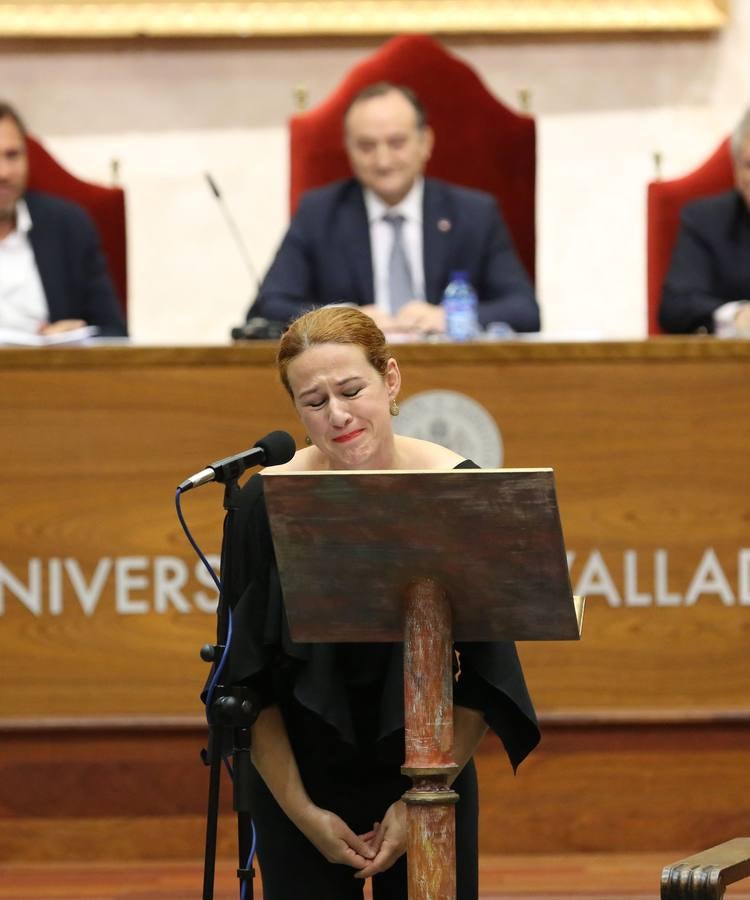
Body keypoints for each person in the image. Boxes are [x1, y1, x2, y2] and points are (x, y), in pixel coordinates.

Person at [220, 306, 540, 899]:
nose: (337, 415)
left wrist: (422, 798)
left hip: (432, 769)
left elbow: (487, 675)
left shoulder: (457, 487)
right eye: (314, 402)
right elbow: (246, 683)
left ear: (390, 380)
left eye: (351, 390)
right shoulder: (261, 505)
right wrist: (304, 814)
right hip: (296, 773)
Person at [246, 82, 540, 336]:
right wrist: (344, 320)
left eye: (396, 143)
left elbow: (525, 310)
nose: (383, 161)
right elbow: (268, 307)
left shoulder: (474, 214)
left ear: (425, 143)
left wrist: (447, 318)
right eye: (366, 146)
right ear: (348, 149)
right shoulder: (319, 213)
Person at [0, 100, 127, 338]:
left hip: (47, 372)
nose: (4, 173)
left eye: (12, 155)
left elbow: (115, 333)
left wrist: (74, 338)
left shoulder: (69, 227)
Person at [659, 105, 750, 336]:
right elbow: (676, 306)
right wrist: (737, 316)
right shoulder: (706, 221)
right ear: (737, 171)